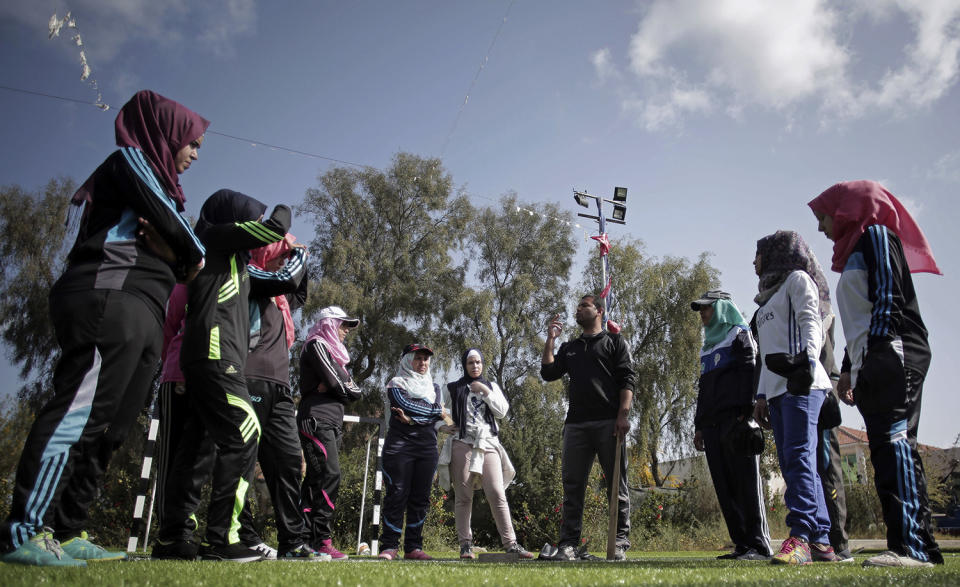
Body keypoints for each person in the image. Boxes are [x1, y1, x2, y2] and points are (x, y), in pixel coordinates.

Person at [0, 90, 207, 567]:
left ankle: (69, 530)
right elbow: (190, 247)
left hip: (146, 312)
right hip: (108, 296)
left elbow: (186, 255)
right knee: (79, 412)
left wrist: (178, 252)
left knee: (111, 428)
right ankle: (24, 529)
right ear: (166, 132)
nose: (194, 153)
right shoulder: (131, 161)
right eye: (191, 143)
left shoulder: (165, 187)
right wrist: (181, 251)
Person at [809, 180, 943, 568]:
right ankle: (902, 545)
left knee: (897, 445)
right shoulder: (854, 253)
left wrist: (879, 354)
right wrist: (851, 368)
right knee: (884, 451)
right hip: (872, 359)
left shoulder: (878, 236)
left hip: (894, 354)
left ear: (848, 210)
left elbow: (887, 297)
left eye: (824, 217)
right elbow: (859, 321)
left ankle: (917, 549)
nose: (821, 227)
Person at [162, 189, 297, 563]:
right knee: (245, 430)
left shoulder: (235, 261)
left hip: (213, 357)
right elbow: (274, 228)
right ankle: (222, 536)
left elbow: (283, 279)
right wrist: (285, 207)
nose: (254, 226)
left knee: (198, 446)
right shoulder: (213, 238)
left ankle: (174, 537)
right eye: (248, 219)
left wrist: (293, 262)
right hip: (214, 353)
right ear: (232, 219)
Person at [752, 230, 835, 565]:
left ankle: (800, 537)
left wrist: (807, 360)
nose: (753, 262)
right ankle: (821, 540)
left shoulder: (797, 280)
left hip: (803, 384)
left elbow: (811, 322)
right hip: (775, 392)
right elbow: (767, 354)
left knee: (799, 457)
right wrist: (760, 395)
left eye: (757, 254)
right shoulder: (766, 298)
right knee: (793, 463)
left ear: (774, 254)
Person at [236, 235, 315, 560]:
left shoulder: (282, 298)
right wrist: (293, 255)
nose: (285, 261)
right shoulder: (248, 280)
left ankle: (292, 542)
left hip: (281, 390)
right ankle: (242, 537)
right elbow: (284, 278)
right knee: (240, 463)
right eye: (279, 254)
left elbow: (299, 290)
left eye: (287, 256)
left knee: (287, 464)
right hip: (248, 380)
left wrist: (301, 256)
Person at [540, 294, 635, 561]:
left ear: (599, 311)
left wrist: (623, 415)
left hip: (609, 424)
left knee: (617, 486)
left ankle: (618, 543)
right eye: (578, 307)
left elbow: (628, 379)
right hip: (576, 426)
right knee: (572, 486)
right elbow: (548, 372)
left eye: (584, 306)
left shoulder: (615, 342)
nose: (578, 310)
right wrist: (551, 340)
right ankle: (568, 544)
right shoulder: (570, 347)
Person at [690, 290, 771, 561]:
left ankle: (759, 546)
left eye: (706, 308)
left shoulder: (739, 334)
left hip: (736, 420)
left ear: (722, 308)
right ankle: (742, 545)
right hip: (712, 425)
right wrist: (699, 425)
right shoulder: (707, 346)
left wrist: (745, 411)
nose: (702, 313)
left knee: (745, 483)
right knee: (725, 486)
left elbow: (751, 370)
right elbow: (703, 389)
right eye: (701, 309)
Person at [441, 348, 533, 560]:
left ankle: (511, 544)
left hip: (488, 442)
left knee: (497, 493)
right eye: (470, 362)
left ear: (483, 364)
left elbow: (502, 412)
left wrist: (485, 390)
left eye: (478, 362)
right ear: (464, 365)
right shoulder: (453, 387)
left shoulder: (491, 386)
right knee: (464, 497)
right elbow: (440, 408)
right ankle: (465, 545)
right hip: (462, 442)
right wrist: (444, 425)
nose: (475, 366)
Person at [151, 283, 215, 560]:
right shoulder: (187, 283)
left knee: (198, 459)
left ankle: (183, 530)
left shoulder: (235, 281)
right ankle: (168, 535)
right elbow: (169, 327)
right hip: (177, 376)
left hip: (211, 378)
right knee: (173, 455)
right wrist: (171, 364)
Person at [298, 306, 363, 560]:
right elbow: (340, 384)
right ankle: (322, 539)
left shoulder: (337, 357)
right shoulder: (316, 345)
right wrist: (337, 385)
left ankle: (304, 538)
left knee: (316, 478)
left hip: (332, 421)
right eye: (344, 324)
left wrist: (337, 385)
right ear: (330, 323)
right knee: (330, 474)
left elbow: (355, 392)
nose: (346, 330)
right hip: (316, 419)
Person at [377, 344, 446, 561]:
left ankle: (413, 547)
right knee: (396, 494)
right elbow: (404, 404)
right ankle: (389, 546)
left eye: (426, 359)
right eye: (418, 358)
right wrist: (435, 412)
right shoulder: (396, 383)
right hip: (399, 446)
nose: (423, 363)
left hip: (427, 447)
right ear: (408, 360)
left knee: (421, 498)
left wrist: (414, 418)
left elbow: (436, 416)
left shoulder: (435, 387)